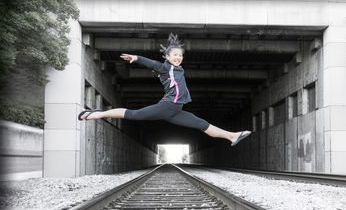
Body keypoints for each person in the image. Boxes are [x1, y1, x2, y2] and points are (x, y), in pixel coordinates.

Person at [78, 33, 251, 146]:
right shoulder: (165, 67)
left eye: (180, 55)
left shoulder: (179, 69)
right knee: (134, 115)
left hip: (176, 110)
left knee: (201, 124)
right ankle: (97, 114)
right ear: (167, 57)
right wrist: (136, 58)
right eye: (174, 55)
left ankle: (231, 136)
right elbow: (152, 64)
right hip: (168, 106)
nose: (178, 57)